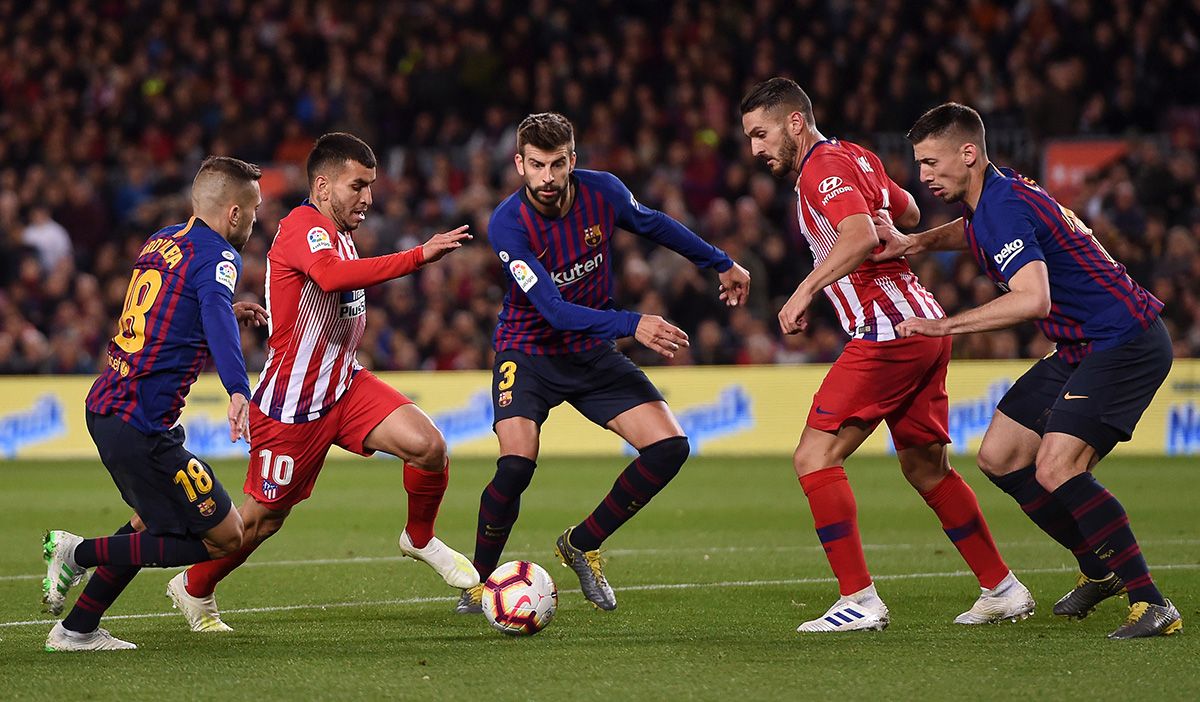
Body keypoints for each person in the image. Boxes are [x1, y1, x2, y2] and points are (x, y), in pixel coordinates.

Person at [874, 102, 1180, 640]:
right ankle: (1099, 565)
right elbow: (972, 232)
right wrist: (917, 242)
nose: (922, 176)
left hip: (1123, 339)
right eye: (918, 164)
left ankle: (1151, 603)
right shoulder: (995, 193)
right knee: (1000, 455)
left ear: (968, 153)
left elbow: (1033, 299)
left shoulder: (1002, 207)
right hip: (1080, 346)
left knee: (1058, 467)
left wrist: (943, 326)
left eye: (930, 162)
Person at [738, 77, 1033, 633]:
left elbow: (858, 239)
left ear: (794, 122)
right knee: (926, 468)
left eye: (760, 133)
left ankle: (859, 600)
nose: (755, 148)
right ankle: (1003, 588)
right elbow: (909, 215)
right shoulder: (855, 155)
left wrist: (802, 292)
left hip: (886, 331)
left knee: (814, 458)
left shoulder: (821, 169)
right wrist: (880, 224)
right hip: (922, 323)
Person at [168, 133, 478, 632]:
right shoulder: (300, 226)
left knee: (429, 448)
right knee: (260, 522)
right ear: (323, 185)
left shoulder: (340, 232)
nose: (368, 198)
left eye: (371, 187)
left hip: (345, 385)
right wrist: (420, 255)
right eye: (357, 186)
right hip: (291, 403)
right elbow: (333, 279)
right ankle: (194, 586)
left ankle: (419, 539)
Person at [456, 112, 751, 614]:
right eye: (535, 166)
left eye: (556, 165)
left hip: (589, 350)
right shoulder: (508, 224)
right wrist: (632, 324)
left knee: (669, 448)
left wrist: (720, 261)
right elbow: (551, 309)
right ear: (518, 164)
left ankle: (581, 543)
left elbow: (655, 224)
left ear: (573, 160)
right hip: (527, 350)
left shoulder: (603, 192)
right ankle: (480, 582)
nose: (546, 178)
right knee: (515, 465)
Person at [41, 156, 268, 651]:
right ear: (233, 213)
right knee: (229, 536)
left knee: (149, 520)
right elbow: (208, 308)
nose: (256, 219)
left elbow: (170, 307)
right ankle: (77, 552)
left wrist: (226, 309)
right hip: (140, 424)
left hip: (110, 406)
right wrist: (237, 389)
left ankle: (76, 629)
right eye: (254, 209)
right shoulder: (223, 257)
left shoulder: (162, 239)